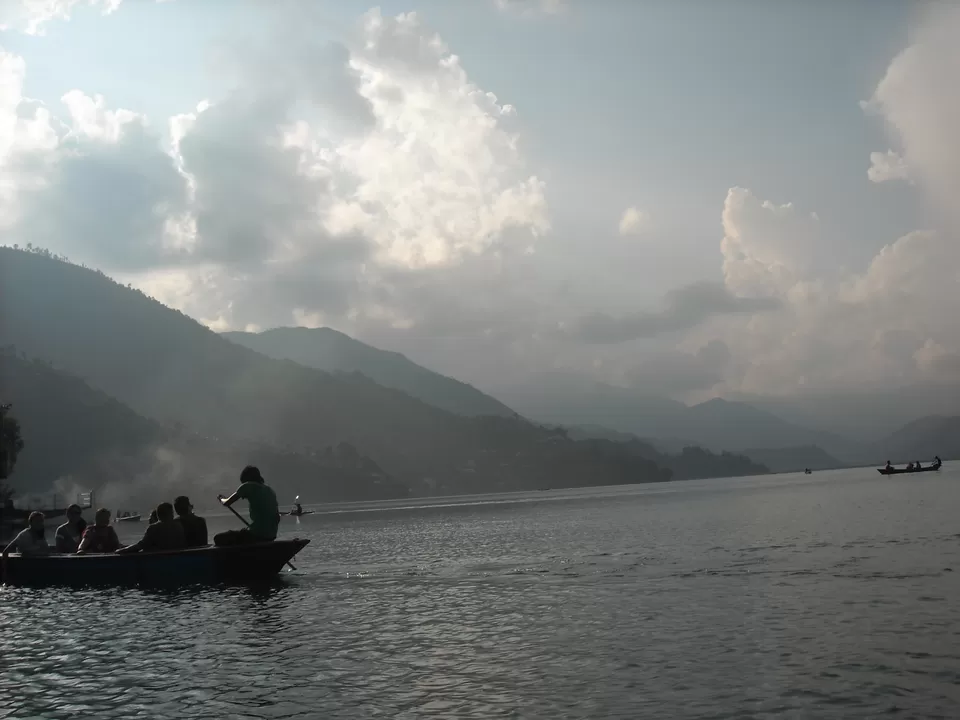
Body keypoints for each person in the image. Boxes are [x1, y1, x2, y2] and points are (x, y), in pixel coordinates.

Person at [215, 466, 279, 546]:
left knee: (218, 538)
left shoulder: (247, 485)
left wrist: (221, 498)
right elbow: (277, 518)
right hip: (272, 536)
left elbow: (226, 503)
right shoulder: (270, 490)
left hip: (256, 535)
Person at [117, 502, 186, 554]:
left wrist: (120, 551)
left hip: (158, 560)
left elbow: (140, 546)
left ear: (158, 515)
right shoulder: (179, 526)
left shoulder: (154, 528)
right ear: (171, 514)